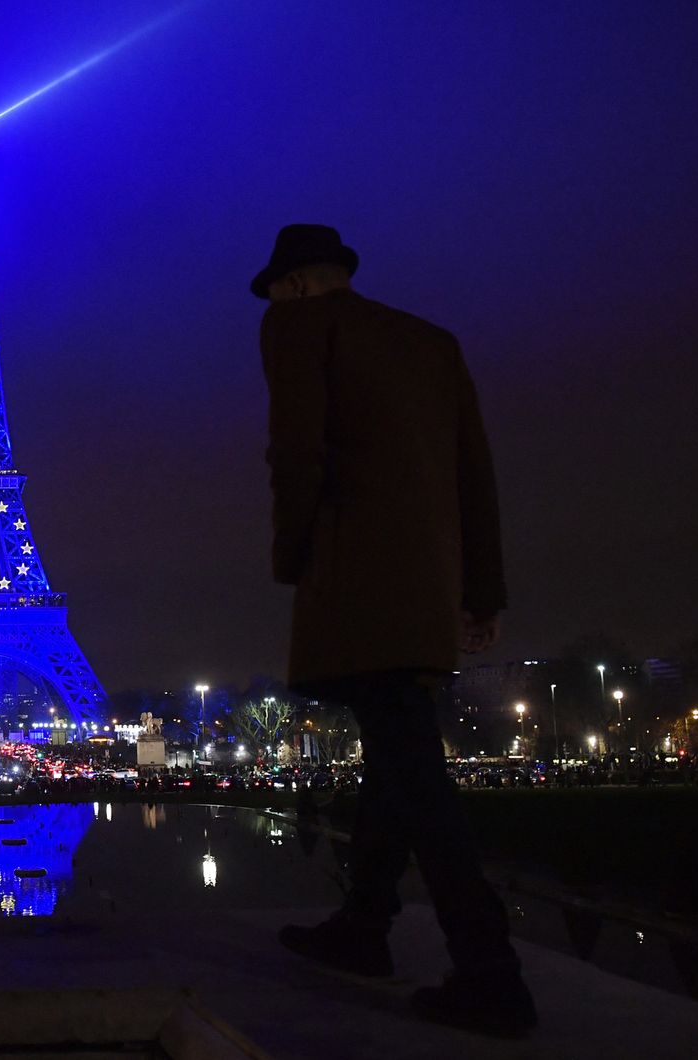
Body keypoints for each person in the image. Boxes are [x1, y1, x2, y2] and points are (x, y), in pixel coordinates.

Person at [253, 224, 536, 1037]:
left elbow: (295, 450)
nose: (272, 305)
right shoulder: (432, 342)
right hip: (423, 584)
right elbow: (473, 475)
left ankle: (490, 970)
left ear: (298, 284)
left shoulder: (301, 325)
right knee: (396, 751)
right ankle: (364, 928)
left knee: (413, 769)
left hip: (353, 575)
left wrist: (292, 552)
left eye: (275, 291)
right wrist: (481, 592)